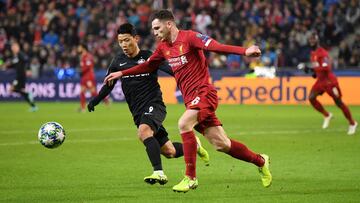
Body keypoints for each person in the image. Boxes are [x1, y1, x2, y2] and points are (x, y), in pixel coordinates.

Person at [104, 10, 272, 192]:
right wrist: (122, 72)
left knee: (184, 123)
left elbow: (216, 46)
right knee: (222, 144)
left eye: (157, 28)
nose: (154, 32)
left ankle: (190, 178)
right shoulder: (163, 47)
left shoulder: (190, 37)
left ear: (169, 24)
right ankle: (261, 161)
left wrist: (245, 51)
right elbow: (147, 65)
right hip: (191, 100)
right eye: (153, 29)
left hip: (205, 93)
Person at [88, 23, 209, 185]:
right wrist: (94, 101)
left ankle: (158, 173)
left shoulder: (150, 57)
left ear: (136, 39)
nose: (124, 45)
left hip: (155, 105)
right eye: (120, 41)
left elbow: (174, 71)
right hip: (137, 112)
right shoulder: (118, 61)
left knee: (144, 132)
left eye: (127, 40)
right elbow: (108, 85)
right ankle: (195, 145)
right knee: (169, 151)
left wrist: (191, 80)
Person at [297, 32, 357, 135]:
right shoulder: (313, 53)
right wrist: (312, 72)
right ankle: (327, 115)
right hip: (320, 81)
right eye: (310, 39)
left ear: (317, 40)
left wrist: (311, 68)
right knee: (311, 98)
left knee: (339, 103)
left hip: (330, 82)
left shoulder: (322, 53)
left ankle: (352, 123)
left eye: (313, 39)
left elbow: (326, 68)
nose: (311, 41)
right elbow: (318, 70)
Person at [6, 41, 38, 112]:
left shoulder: (20, 54)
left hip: (21, 76)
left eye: (14, 47)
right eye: (12, 47)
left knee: (12, 89)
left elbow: (27, 60)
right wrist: (7, 66)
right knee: (21, 91)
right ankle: (33, 106)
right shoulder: (15, 56)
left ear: (18, 47)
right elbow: (15, 64)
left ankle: (28, 94)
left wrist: (28, 69)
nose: (13, 48)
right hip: (19, 76)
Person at [78, 43, 109, 112]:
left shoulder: (88, 56)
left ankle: (106, 100)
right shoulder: (82, 56)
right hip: (84, 77)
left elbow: (88, 66)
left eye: (79, 47)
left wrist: (81, 71)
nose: (78, 48)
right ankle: (83, 108)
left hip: (89, 77)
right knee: (82, 92)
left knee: (93, 93)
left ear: (83, 48)